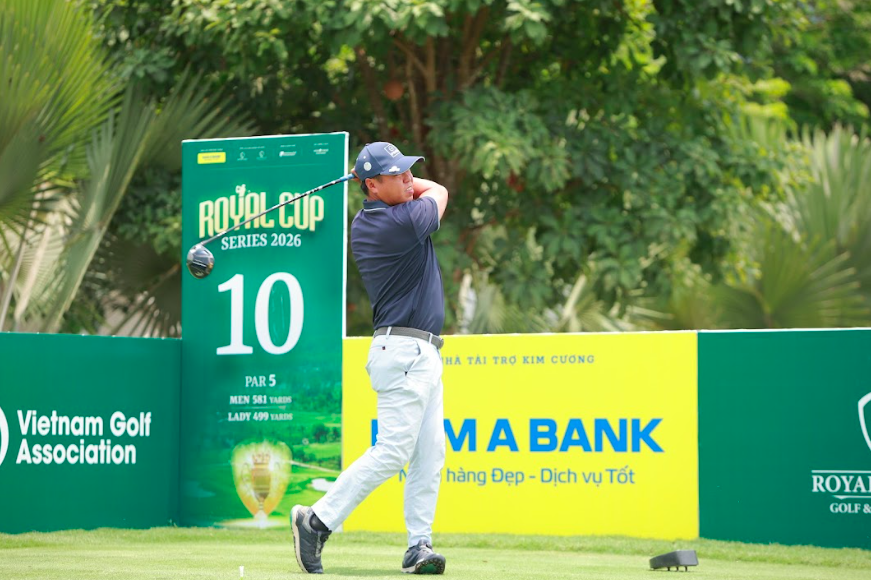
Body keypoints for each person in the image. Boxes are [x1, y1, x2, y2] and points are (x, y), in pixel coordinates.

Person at [291, 142, 449, 575]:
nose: (408, 179)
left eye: (408, 171)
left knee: (430, 453)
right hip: (403, 351)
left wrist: (396, 179)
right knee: (394, 450)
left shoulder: (382, 215)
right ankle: (316, 520)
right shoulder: (392, 223)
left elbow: (422, 188)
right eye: (397, 174)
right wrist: (410, 186)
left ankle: (418, 546)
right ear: (372, 187)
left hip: (420, 352)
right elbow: (440, 191)